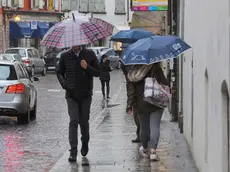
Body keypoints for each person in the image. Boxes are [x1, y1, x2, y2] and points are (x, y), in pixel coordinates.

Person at [56, 45, 100, 162]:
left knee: (84, 121)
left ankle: (85, 142)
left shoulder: (89, 54)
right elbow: (59, 72)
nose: (75, 45)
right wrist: (65, 84)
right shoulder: (65, 56)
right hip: (71, 95)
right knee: (73, 120)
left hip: (85, 94)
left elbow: (98, 72)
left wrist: (87, 67)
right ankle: (73, 151)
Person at [126, 63, 168, 161]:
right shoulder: (156, 68)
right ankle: (153, 151)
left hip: (141, 104)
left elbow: (131, 91)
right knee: (155, 126)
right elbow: (165, 83)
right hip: (156, 102)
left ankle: (145, 150)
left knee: (143, 128)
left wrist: (129, 105)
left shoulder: (133, 72)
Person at [121, 60, 141, 143]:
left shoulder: (131, 75)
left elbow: (131, 92)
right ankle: (143, 135)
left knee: (138, 118)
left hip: (138, 100)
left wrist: (129, 105)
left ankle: (141, 136)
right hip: (144, 98)